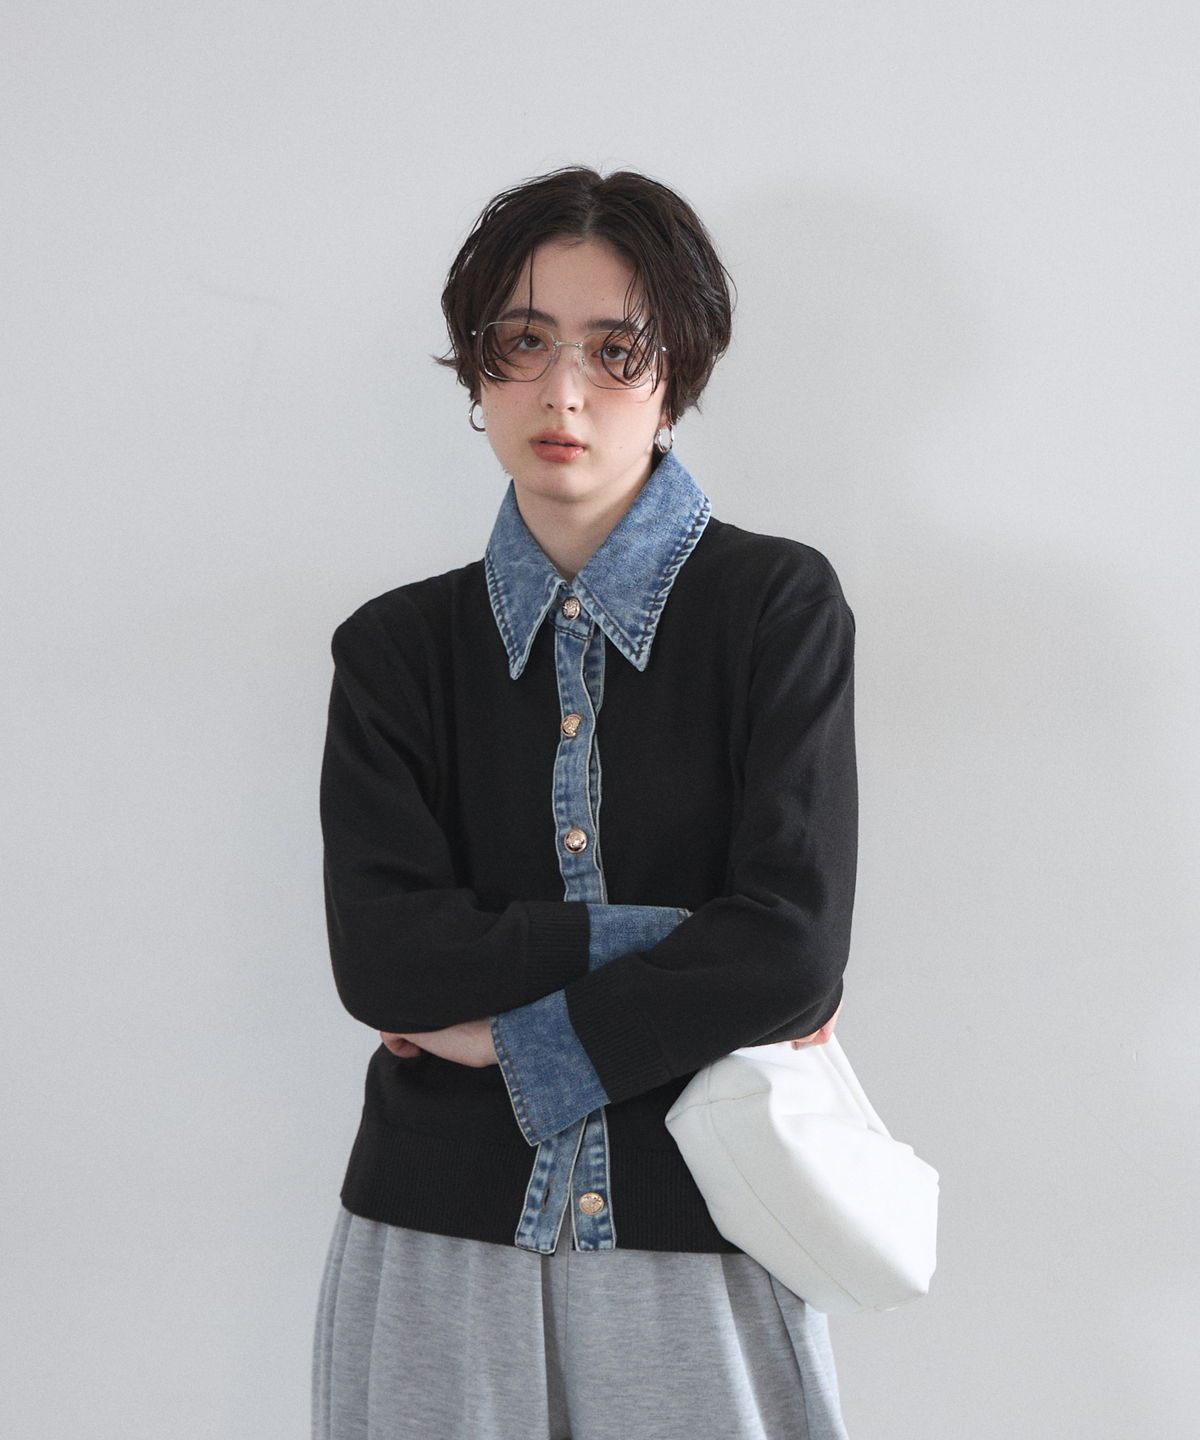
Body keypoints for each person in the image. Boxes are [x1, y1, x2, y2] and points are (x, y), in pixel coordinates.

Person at [312, 167, 857, 1440]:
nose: (563, 394)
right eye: (524, 343)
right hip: (433, 1251)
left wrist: (513, 1041)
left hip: (704, 1242)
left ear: (676, 380)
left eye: (617, 352)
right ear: (477, 368)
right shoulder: (395, 651)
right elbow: (384, 959)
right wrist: (687, 941)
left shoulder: (776, 611)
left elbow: (792, 952)